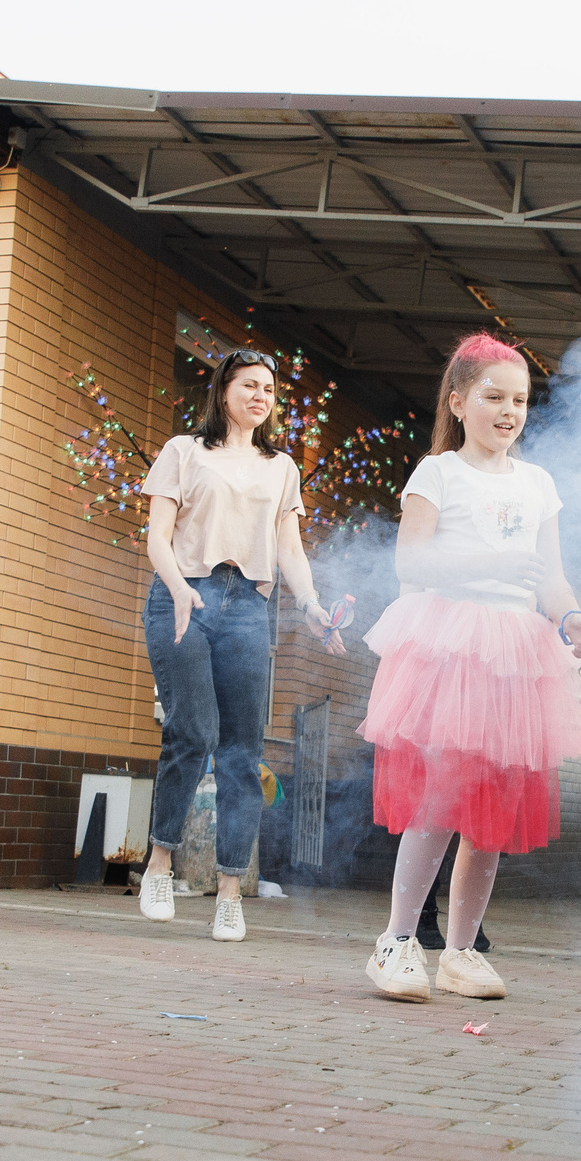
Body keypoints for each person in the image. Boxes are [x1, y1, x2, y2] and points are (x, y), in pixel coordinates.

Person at [358, 334, 581, 1002]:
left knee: (490, 811)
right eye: (494, 396)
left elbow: (548, 575)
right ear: (458, 401)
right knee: (438, 799)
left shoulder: (538, 484)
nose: (508, 410)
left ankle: (461, 951)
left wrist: (570, 615)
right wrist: (492, 566)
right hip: (450, 647)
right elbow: (412, 561)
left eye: (519, 399)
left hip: (517, 655)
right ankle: (399, 939)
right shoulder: (438, 473)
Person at [135, 346, 345, 943]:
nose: (260, 396)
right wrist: (178, 588)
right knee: (192, 731)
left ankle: (230, 891)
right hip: (183, 594)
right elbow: (157, 537)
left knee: (241, 752)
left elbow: (290, 549)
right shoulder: (184, 451)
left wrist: (310, 606)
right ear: (223, 390)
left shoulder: (281, 467)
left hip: (248, 606)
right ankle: (158, 862)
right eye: (249, 385)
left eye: (269, 390)